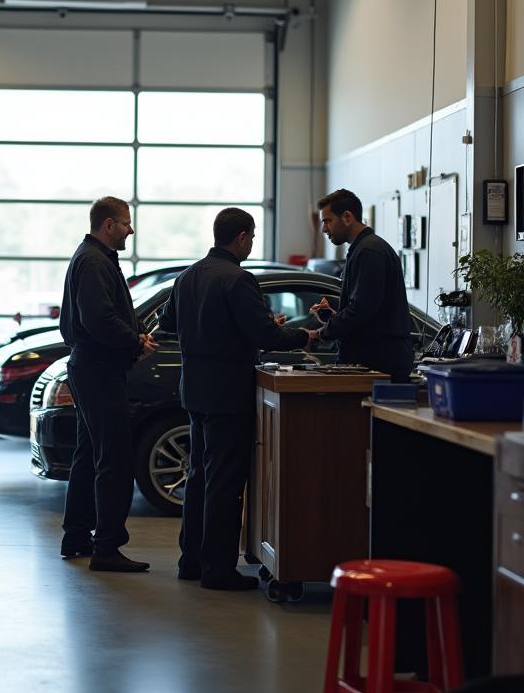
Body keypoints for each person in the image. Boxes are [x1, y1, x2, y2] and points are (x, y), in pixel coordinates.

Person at [159, 208, 313, 590]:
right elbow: (264, 335)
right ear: (241, 237)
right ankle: (218, 570)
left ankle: (191, 561)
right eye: (252, 236)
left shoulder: (188, 276)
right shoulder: (239, 279)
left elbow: (167, 324)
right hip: (228, 393)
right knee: (225, 483)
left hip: (195, 392)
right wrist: (302, 336)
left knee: (198, 477)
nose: (252, 243)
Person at [59, 196, 158, 573]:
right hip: (98, 369)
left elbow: (106, 315)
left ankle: (77, 536)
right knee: (114, 458)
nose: (130, 230)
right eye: (126, 223)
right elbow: (98, 319)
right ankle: (107, 547)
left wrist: (136, 334)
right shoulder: (94, 261)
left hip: (92, 366)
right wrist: (134, 342)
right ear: (108, 225)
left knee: (89, 454)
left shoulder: (94, 259)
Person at [312, 188, 414, 380]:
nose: (324, 229)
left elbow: (361, 310)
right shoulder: (364, 249)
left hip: (377, 363)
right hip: (372, 361)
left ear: (347, 217)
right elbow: (367, 309)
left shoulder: (369, 252)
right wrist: (335, 317)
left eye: (327, 221)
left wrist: (321, 333)